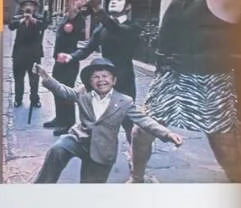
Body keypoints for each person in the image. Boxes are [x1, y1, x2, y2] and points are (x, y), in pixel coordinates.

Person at [131, 0, 241, 183]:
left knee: (224, 145)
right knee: (141, 131)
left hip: (208, 81)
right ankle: (136, 179)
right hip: (170, 75)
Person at [33, 56, 181, 184]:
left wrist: (167, 134)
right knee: (58, 149)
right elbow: (64, 91)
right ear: (90, 81)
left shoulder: (124, 101)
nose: (101, 80)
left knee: (90, 188)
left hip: (103, 149)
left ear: (114, 80)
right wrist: (46, 77)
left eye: (105, 76)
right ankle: (41, 187)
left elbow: (144, 120)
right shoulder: (83, 93)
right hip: (80, 140)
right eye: (95, 77)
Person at [43, 0, 94, 134]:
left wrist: (70, 56)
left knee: (67, 92)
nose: (68, 4)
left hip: (69, 63)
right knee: (56, 89)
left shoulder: (79, 21)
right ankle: (59, 118)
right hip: (58, 61)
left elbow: (82, 44)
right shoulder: (65, 17)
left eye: (72, 2)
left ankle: (68, 122)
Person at [7, 1, 47, 109]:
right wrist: (23, 20)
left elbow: (44, 25)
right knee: (18, 78)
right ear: (23, 7)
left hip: (34, 55)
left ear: (34, 7)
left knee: (34, 80)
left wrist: (32, 20)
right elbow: (11, 26)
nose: (28, 7)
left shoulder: (39, 17)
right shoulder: (17, 17)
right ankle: (18, 99)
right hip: (19, 54)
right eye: (26, 5)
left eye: (31, 5)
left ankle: (34, 100)